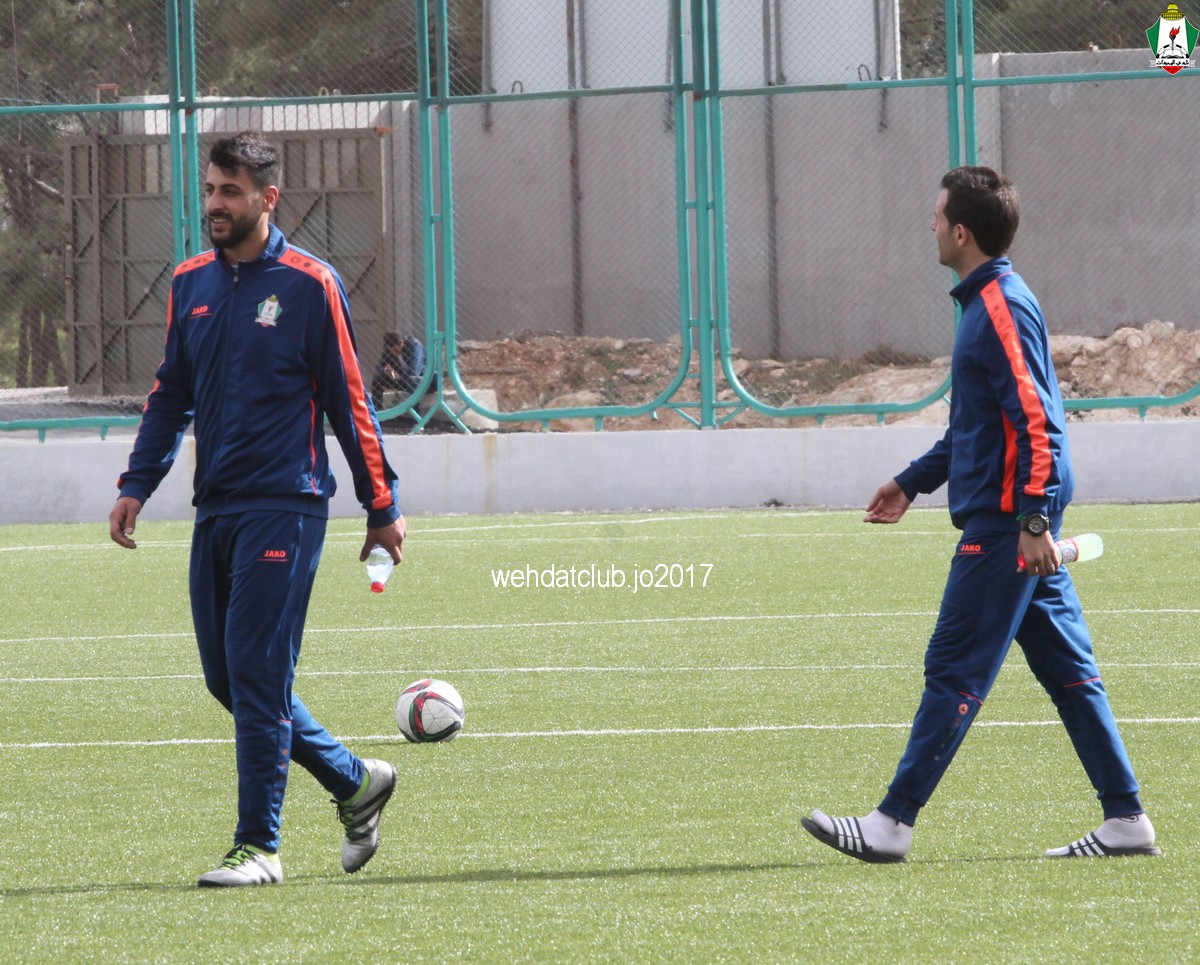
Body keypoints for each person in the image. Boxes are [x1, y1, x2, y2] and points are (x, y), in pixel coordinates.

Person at [802, 166, 1158, 863]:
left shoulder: (999, 307)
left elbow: (1038, 423)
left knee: (954, 668)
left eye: (937, 216)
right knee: (1072, 675)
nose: (931, 225)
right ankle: (1126, 818)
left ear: (961, 232)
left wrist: (1033, 523)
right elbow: (974, 428)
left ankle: (891, 824)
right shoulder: (987, 304)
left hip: (1006, 529)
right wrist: (912, 482)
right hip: (1015, 525)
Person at [108, 131, 407, 888]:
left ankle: (258, 846)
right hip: (217, 507)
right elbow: (170, 393)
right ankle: (354, 782)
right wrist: (137, 482)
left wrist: (381, 503)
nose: (216, 204)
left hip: (287, 503)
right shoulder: (190, 283)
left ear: (268, 198)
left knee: (257, 671)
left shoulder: (310, 284)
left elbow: (350, 399)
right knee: (229, 679)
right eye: (211, 189)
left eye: (231, 192)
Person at [370, 331, 429, 409]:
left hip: (423, 380)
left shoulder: (414, 346)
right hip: (402, 380)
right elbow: (379, 367)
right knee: (377, 379)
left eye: (395, 350)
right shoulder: (389, 349)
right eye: (390, 350)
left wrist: (396, 375)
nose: (392, 353)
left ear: (401, 343)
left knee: (413, 380)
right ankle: (377, 411)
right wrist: (387, 371)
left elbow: (414, 372)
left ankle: (417, 413)